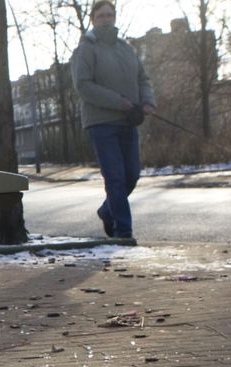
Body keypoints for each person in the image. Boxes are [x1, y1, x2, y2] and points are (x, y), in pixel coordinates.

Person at [70, 0, 156, 240]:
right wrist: (120, 102)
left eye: (110, 15)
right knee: (115, 177)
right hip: (101, 123)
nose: (106, 19)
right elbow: (84, 86)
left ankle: (107, 211)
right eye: (101, 16)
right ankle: (123, 231)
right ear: (93, 20)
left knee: (132, 175)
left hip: (128, 121)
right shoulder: (85, 49)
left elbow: (143, 78)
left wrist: (148, 101)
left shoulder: (125, 48)